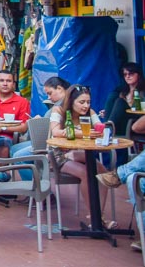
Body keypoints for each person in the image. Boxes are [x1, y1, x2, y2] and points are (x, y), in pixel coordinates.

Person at [49, 84, 109, 221]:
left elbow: (99, 129)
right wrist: (83, 133)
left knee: (104, 173)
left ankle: (99, 216)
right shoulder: (58, 111)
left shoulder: (90, 112)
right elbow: (56, 132)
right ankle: (96, 218)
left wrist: (101, 128)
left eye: (88, 102)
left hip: (79, 153)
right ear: (71, 101)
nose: (86, 106)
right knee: (86, 173)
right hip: (58, 155)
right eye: (81, 102)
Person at [103, 63, 145, 147]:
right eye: (125, 74)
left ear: (138, 75)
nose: (127, 76)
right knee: (113, 96)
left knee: (120, 102)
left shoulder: (143, 91)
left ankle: (107, 130)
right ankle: (107, 128)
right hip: (122, 123)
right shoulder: (122, 91)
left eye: (131, 74)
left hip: (135, 121)